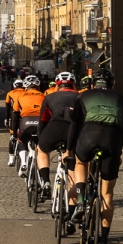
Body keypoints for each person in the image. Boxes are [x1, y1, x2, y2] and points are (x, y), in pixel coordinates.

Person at [67, 73, 123, 244]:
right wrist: (118, 154)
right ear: (113, 84)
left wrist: (69, 150)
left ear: (93, 84)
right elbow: (122, 128)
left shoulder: (83, 96)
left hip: (88, 137)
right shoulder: (119, 98)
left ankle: (79, 202)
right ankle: (103, 243)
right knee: (107, 194)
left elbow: (75, 125)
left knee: (80, 163)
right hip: (111, 140)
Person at [37, 72, 83, 202]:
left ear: (57, 86)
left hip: (54, 129)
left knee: (42, 150)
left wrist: (41, 141)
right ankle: (74, 204)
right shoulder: (81, 97)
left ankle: (46, 181)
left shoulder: (49, 97)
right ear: (74, 86)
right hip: (72, 132)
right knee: (74, 168)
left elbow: (42, 121)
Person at [5, 76, 44, 167]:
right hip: (40, 122)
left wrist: (14, 133)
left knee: (21, 140)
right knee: (41, 142)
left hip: (25, 121)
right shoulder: (44, 96)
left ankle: (22, 162)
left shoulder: (17, 95)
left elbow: (14, 114)